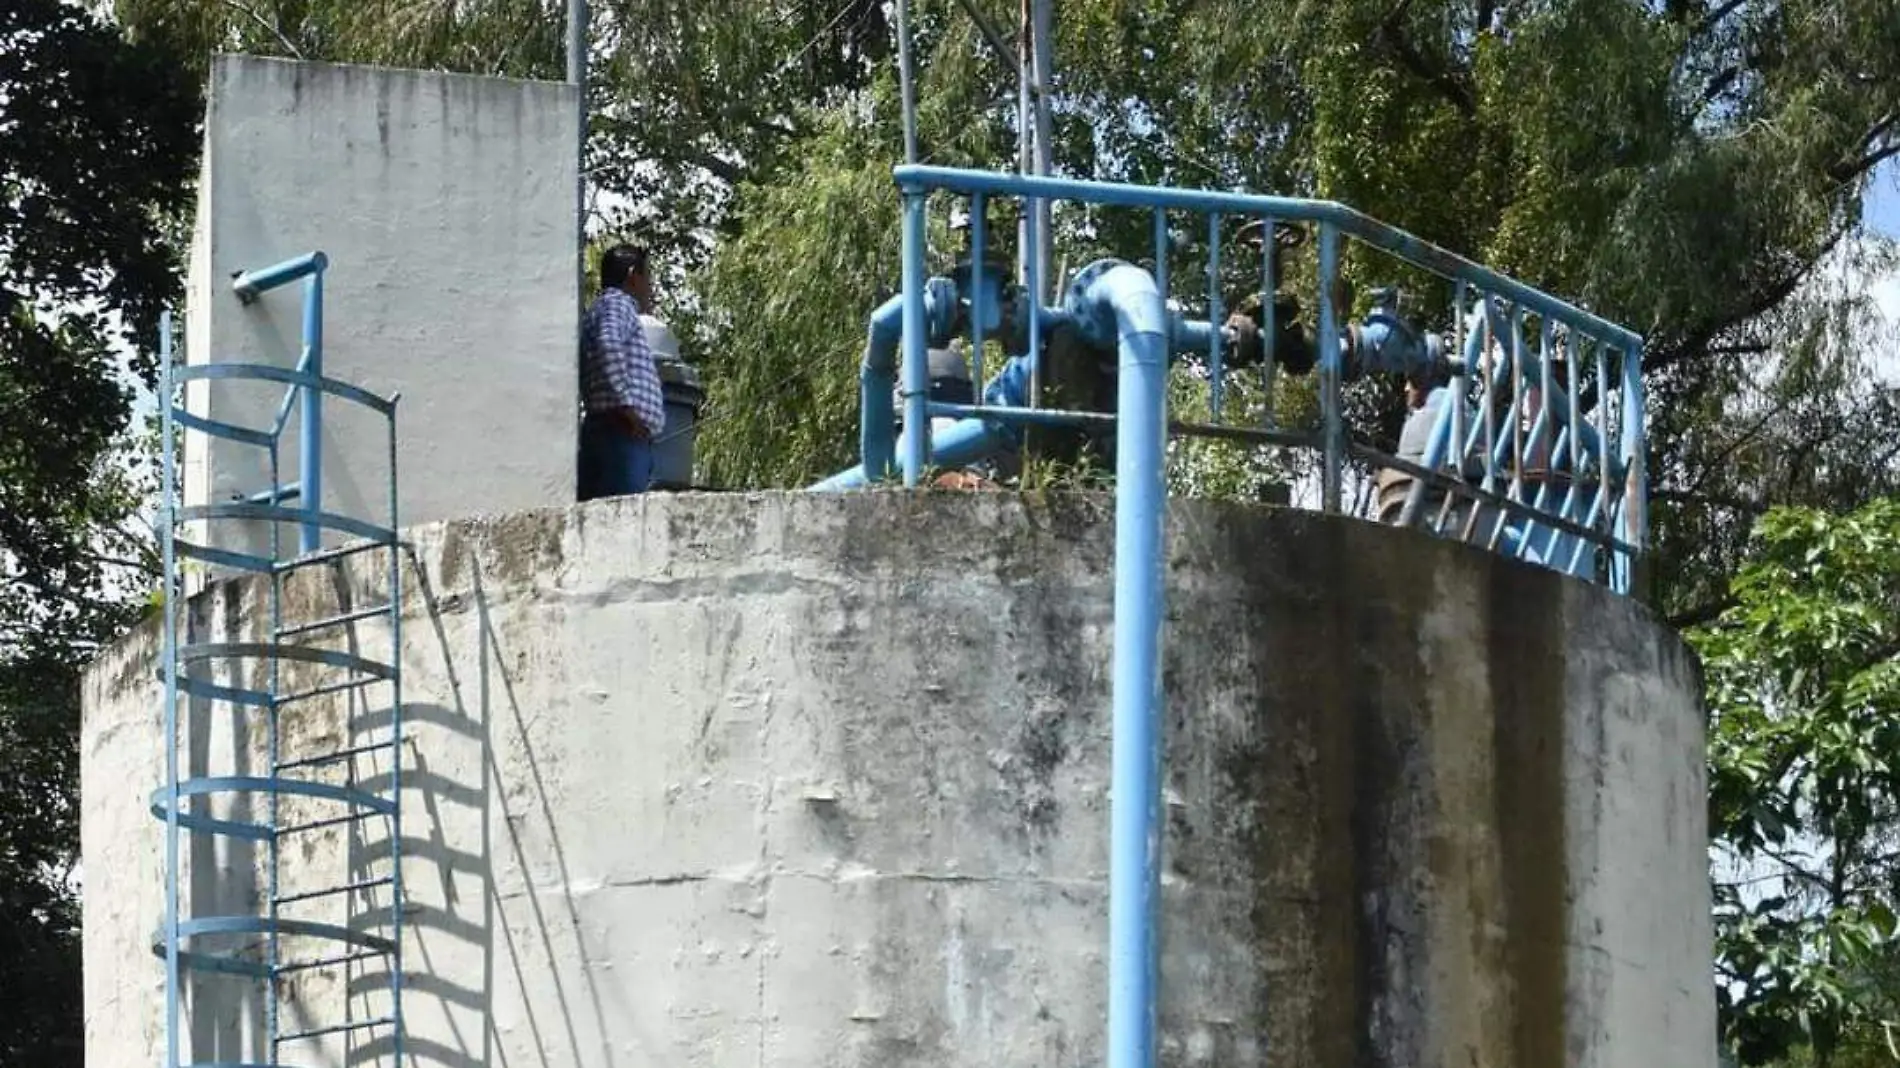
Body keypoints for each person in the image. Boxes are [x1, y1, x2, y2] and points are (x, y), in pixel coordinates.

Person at [579, 244, 666, 500]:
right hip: (621, 433)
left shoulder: (601, 309)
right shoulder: (617, 305)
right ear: (632, 275)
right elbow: (609, 345)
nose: (649, 286)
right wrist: (627, 408)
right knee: (620, 515)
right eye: (646, 276)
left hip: (613, 429)